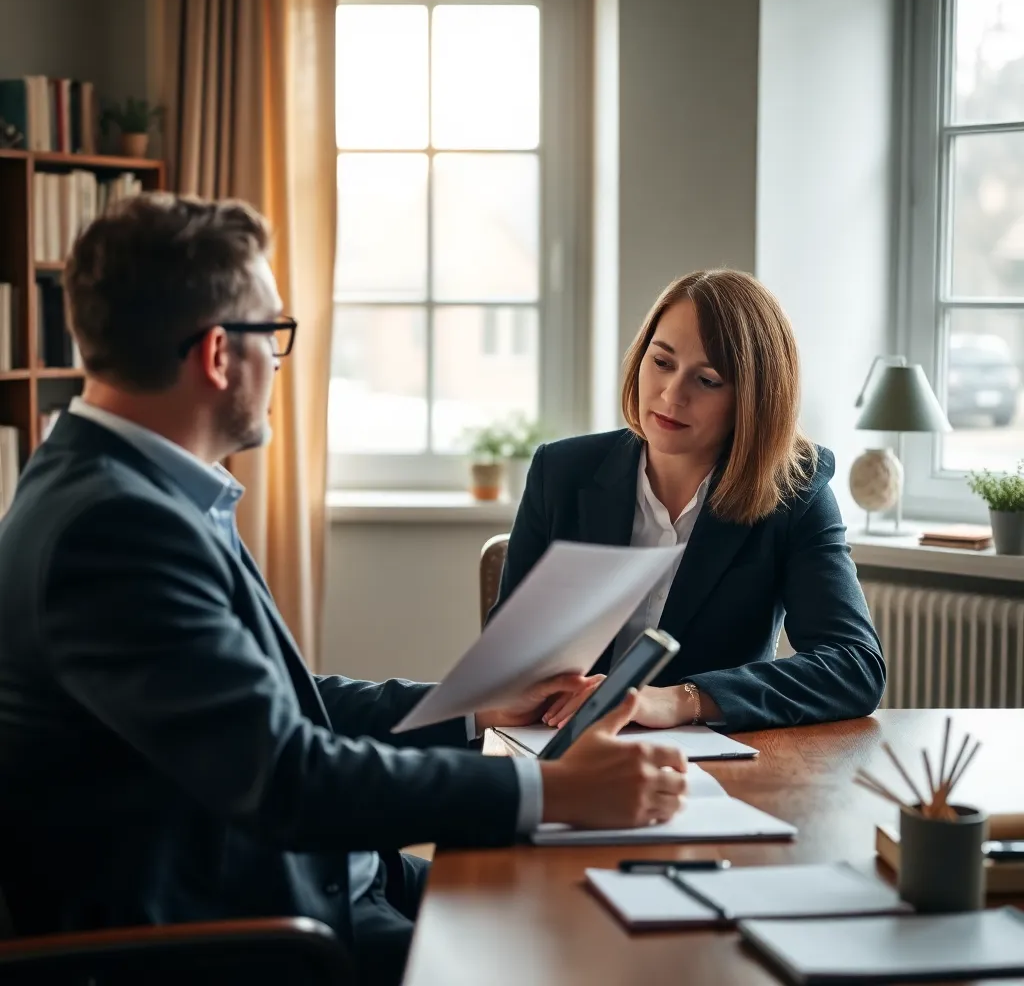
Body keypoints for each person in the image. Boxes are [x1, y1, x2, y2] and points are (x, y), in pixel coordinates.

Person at [0, 194, 687, 986]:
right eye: (276, 335)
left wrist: (472, 714)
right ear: (220, 355)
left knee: (595, 917)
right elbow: (290, 776)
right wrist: (552, 788)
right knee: (594, 961)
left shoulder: (138, 492)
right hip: (257, 940)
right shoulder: (113, 529)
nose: (281, 363)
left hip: (324, 884)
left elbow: (281, 707)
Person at [494, 269, 886, 734]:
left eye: (708, 380)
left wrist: (683, 700)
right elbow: (505, 661)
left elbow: (854, 666)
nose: (671, 394)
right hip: (560, 743)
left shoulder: (794, 490)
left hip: (707, 761)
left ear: (752, 400)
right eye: (662, 362)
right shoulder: (560, 471)